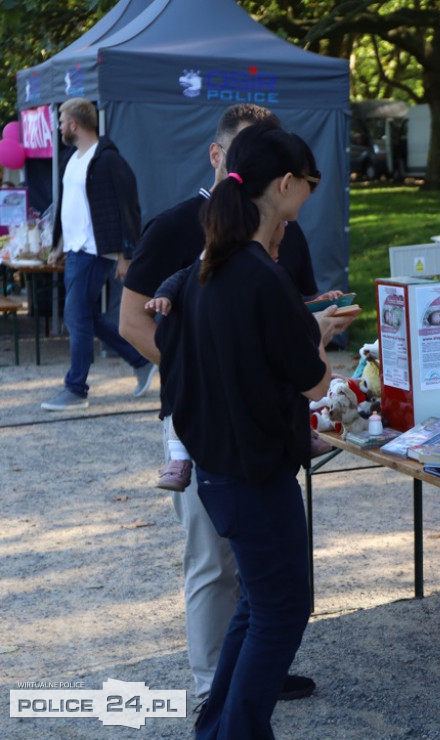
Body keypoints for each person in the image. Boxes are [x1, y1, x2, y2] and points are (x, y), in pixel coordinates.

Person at [118, 104, 337, 704]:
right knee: (223, 568)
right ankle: (217, 691)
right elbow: (134, 321)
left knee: (258, 582)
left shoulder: (273, 240)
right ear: (220, 156)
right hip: (216, 434)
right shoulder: (182, 232)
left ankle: (239, 693)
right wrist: (207, 374)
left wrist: (313, 319)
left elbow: (283, 323)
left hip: (259, 433)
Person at [40, 97, 155, 411]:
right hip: (76, 250)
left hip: (95, 251)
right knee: (87, 315)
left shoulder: (107, 160)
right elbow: (69, 206)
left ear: (74, 124)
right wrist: (58, 246)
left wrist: (125, 255)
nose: (59, 127)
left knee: (75, 315)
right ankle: (140, 360)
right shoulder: (71, 159)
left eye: (61, 122)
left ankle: (76, 389)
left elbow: (128, 208)